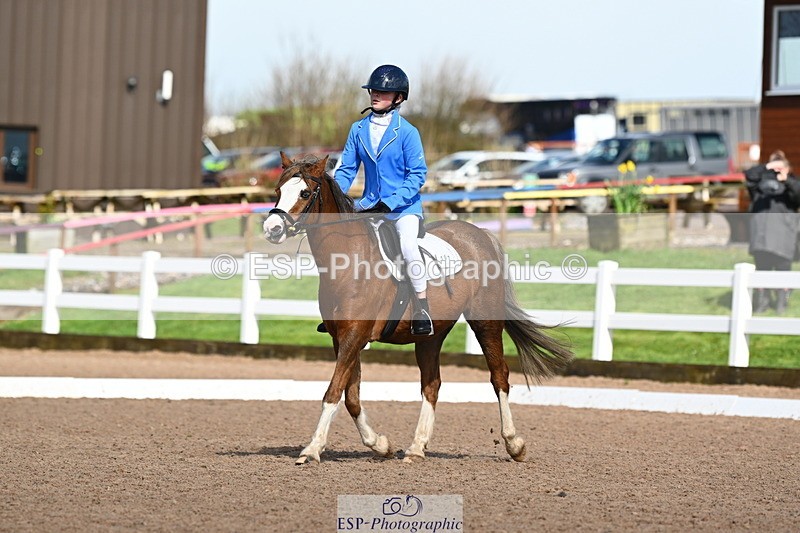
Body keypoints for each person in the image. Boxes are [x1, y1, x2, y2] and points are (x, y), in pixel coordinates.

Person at [333, 64, 433, 335]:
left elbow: (417, 175)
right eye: (373, 90)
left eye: (383, 92)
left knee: (408, 246)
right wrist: (336, 198)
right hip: (368, 205)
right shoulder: (357, 129)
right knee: (344, 244)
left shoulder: (408, 132)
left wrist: (392, 201)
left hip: (403, 208)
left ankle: (422, 307)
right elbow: (346, 170)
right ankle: (341, 307)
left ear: (398, 97)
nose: (375, 95)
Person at [745, 150, 800, 314]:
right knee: (762, 271)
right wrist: (767, 167)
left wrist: (786, 179)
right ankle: (762, 302)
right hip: (761, 237)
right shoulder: (759, 185)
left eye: (780, 166)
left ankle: (782, 303)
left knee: (783, 271)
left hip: (784, 237)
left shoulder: (791, 184)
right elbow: (749, 175)